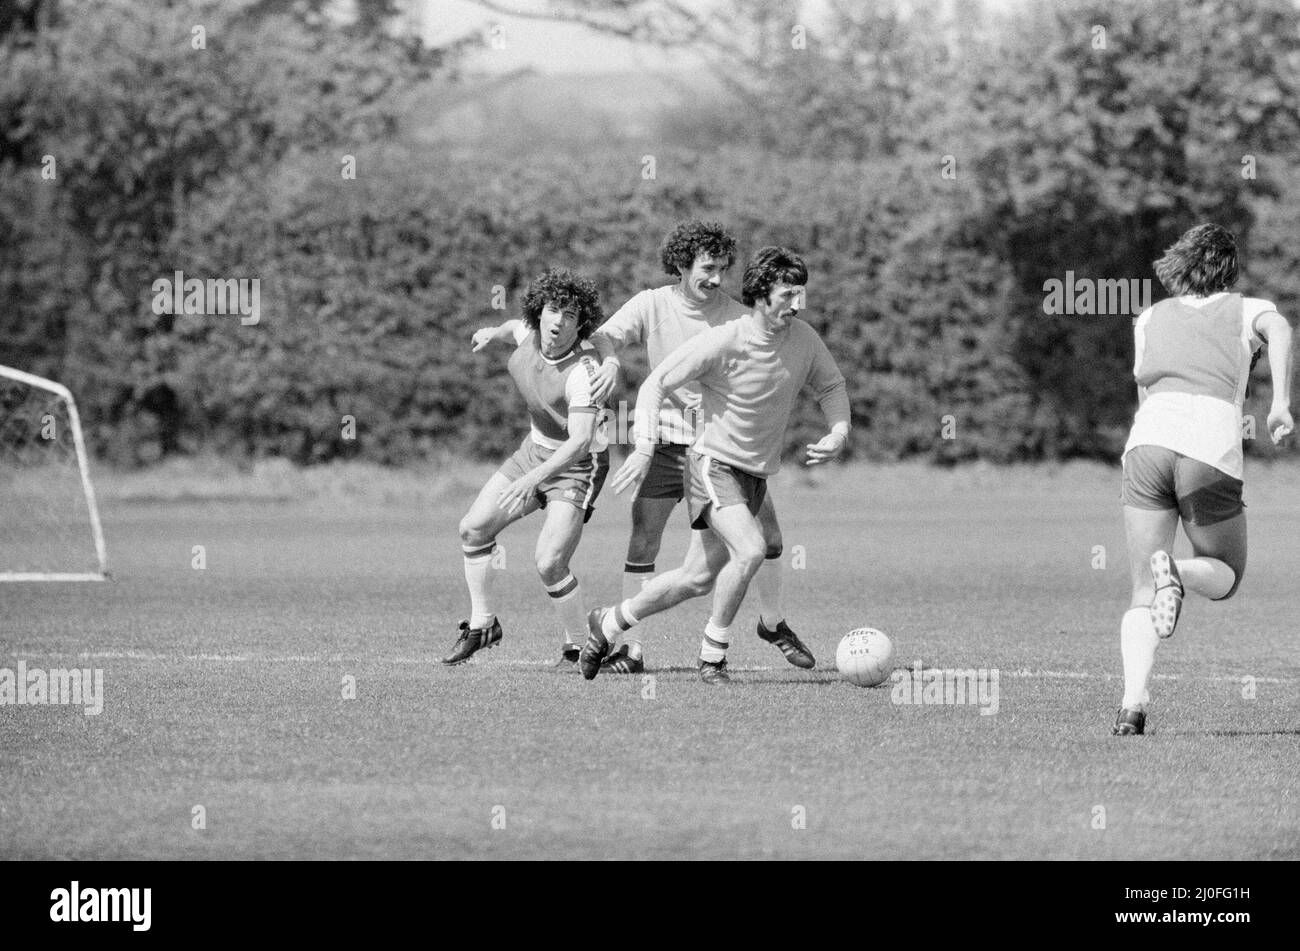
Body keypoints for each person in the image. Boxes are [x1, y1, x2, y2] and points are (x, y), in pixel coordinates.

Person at [580, 246, 851, 684]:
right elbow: (656, 384)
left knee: (696, 578)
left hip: (754, 474)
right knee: (751, 549)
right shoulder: (726, 338)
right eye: (787, 295)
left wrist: (838, 432)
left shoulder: (804, 339)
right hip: (713, 466)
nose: (797, 304)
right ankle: (713, 658)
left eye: (801, 294)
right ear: (762, 294)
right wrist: (646, 447)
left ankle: (608, 622)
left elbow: (832, 386)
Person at [1113, 223, 1293, 735]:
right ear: (1229, 270)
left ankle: (1131, 708)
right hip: (1207, 442)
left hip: (1146, 443)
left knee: (1141, 589)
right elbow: (1280, 329)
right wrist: (1279, 402)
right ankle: (1179, 570)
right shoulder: (1246, 307)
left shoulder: (1148, 317)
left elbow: (1146, 392)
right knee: (1226, 573)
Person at [443, 267, 611, 666]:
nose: (559, 321)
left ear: (580, 324)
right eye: (554, 310)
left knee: (550, 562)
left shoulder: (584, 373)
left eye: (570, 316)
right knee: (473, 528)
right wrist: (489, 332)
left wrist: (535, 479)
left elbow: (581, 441)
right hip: (532, 452)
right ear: (540, 311)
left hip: (576, 466)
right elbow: (510, 327)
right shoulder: (527, 333)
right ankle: (483, 626)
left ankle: (579, 647)